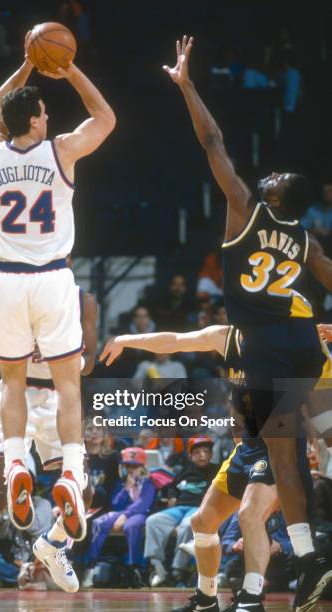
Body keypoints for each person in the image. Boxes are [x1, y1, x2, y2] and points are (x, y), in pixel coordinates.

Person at [163, 35, 332, 611]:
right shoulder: (306, 239)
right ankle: (311, 559)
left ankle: (310, 556)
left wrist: (188, 86)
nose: (271, 176)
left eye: (279, 178)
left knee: (286, 456)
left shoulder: (245, 209)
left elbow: (212, 141)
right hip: (306, 345)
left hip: (264, 346)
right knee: (305, 451)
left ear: (281, 197)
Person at [0, 31, 115, 539]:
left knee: (10, 381)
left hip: (5, 281)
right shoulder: (60, 152)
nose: (47, 117)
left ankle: (16, 463)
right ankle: (74, 477)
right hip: (53, 279)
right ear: (36, 119)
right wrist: (67, 69)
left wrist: (27, 68)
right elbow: (106, 118)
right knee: (68, 385)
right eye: (42, 111)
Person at [100, 322, 331, 611]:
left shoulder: (286, 340)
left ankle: (251, 599)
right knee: (202, 522)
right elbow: (175, 340)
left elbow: (320, 394)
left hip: (278, 448)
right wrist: (127, 339)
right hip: (245, 449)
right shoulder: (229, 336)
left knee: (249, 515)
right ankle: (206, 599)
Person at [0, 287, 97, 594]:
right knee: (1, 493)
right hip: (17, 394)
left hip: (60, 394)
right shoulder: (13, 293)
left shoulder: (83, 299)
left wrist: (63, 357)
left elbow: (91, 359)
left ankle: (53, 543)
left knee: (85, 490)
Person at [144, 436, 218, 587]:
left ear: (211, 454)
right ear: (191, 456)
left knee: (188, 525)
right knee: (152, 521)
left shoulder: (217, 471)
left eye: (206, 451)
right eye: (197, 452)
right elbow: (172, 487)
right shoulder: (185, 471)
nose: (202, 455)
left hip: (199, 508)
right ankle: (158, 568)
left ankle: (178, 570)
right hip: (179, 508)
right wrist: (171, 496)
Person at [82, 447, 156, 587]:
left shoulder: (148, 483)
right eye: (128, 466)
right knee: (98, 522)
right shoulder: (121, 483)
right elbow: (115, 504)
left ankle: (135, 567)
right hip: (120, 513)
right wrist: (127, 488)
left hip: (140, 514)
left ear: (142, 467)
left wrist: (125, 515)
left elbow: (143, 504)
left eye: (135, 466)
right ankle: (91, 565)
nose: (131, 470)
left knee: (131, 526)